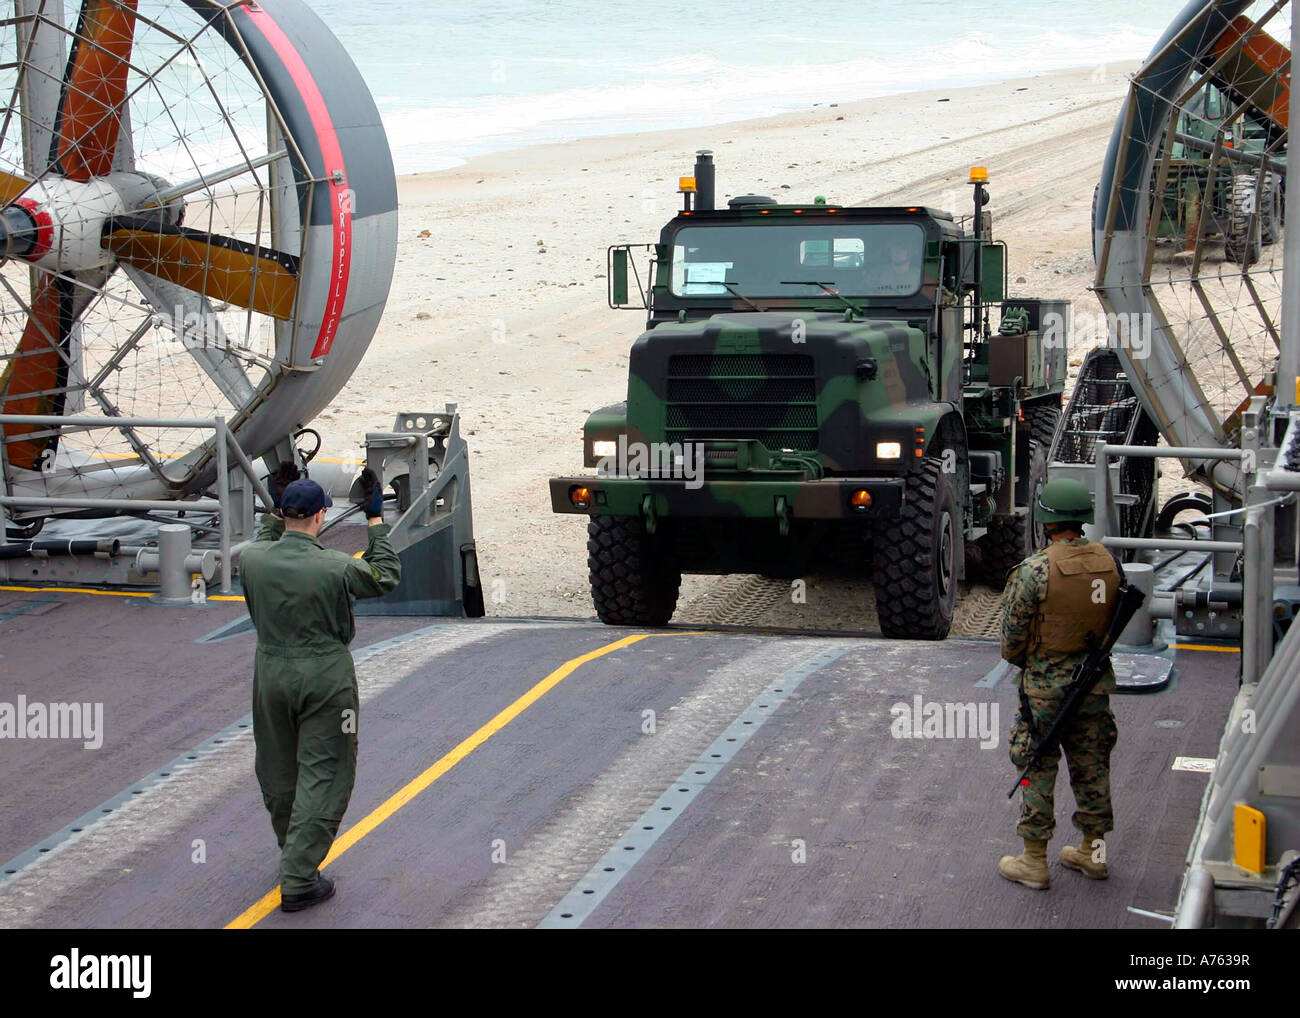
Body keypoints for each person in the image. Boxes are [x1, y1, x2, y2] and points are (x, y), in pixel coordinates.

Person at [239, 466, 401, 911]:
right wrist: (374, 521)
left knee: (277, 768)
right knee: (324, 771)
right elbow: (385, 575)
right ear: (319, 517)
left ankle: (292, 850)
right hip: (325, 675)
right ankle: (299, 877)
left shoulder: (252, 559)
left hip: (269, 672)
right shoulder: (336, 567)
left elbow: (267, 541)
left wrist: (274, 512)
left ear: (284, 513)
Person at [997, 478, 1120, 890]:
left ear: (1047, 520)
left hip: (1045, 691)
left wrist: (1037, 663)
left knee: (1035, 767)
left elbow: (1011, 641)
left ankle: (1034, 861)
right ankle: (1094, 854)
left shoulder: (1034, 570)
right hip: (1093, 685)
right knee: (1092, 767)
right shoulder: (1108, 562)